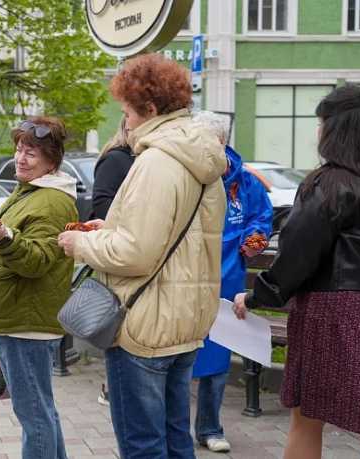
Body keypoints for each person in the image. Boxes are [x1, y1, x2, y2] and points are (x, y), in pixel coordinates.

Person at [57, 53, 227, 459]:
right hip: (184, 321)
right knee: (176, 440)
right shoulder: (201, 159)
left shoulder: (156, 161)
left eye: (128, 113)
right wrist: (110, 228)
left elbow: (135, 254)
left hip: (145, 325)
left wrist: (80, 244)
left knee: (143, 447)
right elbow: (175, 238)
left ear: (150, 109)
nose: (126, 123)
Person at [233, 84, 360, 459]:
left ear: (334, 129)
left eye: (320, 123)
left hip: (332, 312)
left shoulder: (328, 184)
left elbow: (297, 254)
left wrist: (256, 296)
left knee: (307, 417)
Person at [0, 116, 78, 459]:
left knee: (34, 417)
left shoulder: (52, 201)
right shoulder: (32, 191)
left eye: (31, 153)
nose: (21, 158)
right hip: (17, 318)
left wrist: (6, 238)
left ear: (51, 160)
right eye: (19, 149)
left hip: (24, 325)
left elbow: (37, 260)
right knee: (41, 411)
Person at [190, 111, 273, 453]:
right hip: (186, 283)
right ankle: (172, 430)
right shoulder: (185, 175)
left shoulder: (246, 182)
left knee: (217, 359)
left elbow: (261, 220)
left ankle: (210, 428)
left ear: (223, 143)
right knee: (176, 357)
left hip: (227, 283)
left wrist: (252, 244)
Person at [90, 117, 134, 407]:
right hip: (117, 252)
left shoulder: (146, 159)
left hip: (133, 251)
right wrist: (130, 224)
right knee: (119, 321)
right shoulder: (116, 159)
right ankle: (112, 384)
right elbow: (101, 203)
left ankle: (118, 383)